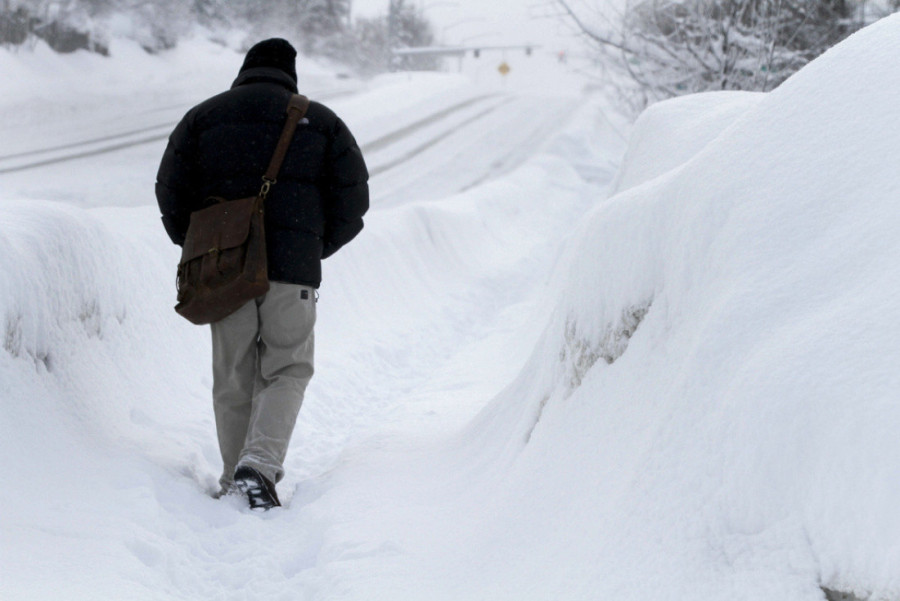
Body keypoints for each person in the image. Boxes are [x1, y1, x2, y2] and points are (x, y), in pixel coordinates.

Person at [155, 38, 369, 510]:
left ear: (244, 69)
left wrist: (201, 250)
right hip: (292, 274)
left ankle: (236, 478)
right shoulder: (322, 122)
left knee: (233, 374)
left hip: (224, 271)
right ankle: (260, 464)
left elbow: (169, 192)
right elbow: (353, 206)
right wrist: (310, 249)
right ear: (291, 74)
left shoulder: (203, 118)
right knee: (288, 368)